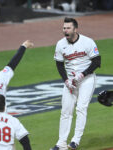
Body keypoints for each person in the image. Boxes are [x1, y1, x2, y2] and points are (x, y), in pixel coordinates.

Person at [51, 17, 101, 150]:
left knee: (81, 108)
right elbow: (59, 64)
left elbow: (97, 62)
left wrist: (82, 74)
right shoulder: (60, 44)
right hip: (70, 82)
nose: (65, 31)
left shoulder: (87, 42)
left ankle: (75, 141)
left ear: (75, 29)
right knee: (66, 111)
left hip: (87, 80)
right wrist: (66, 81)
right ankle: (61, 143)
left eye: (68, 28)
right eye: (64, 28)